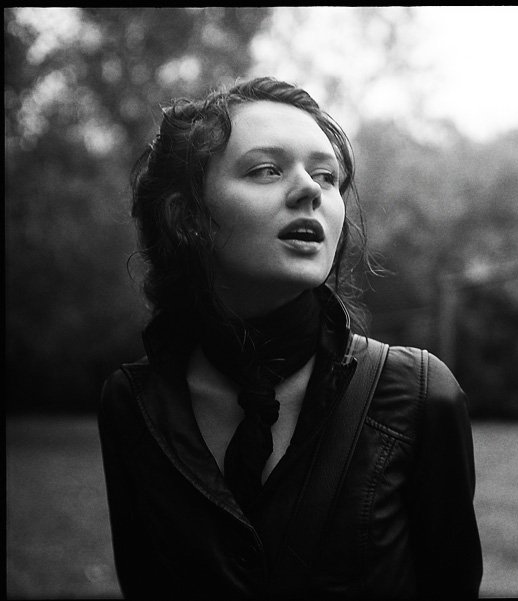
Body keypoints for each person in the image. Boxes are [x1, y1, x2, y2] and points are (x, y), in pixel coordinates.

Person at [98, 76, 483, 600]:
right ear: (185, 215)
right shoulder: (133, 405)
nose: (311, 190)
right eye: (266, 170)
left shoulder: (420, 395)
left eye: (327, 176)